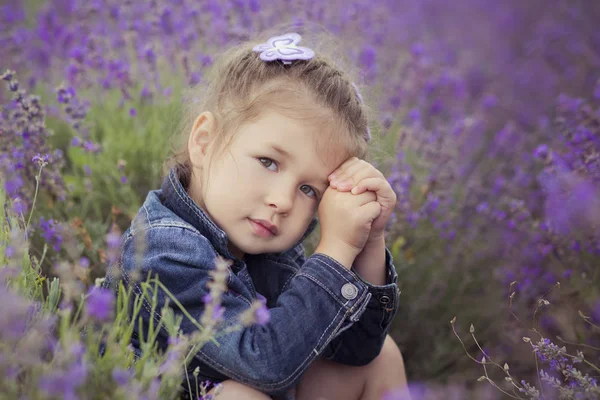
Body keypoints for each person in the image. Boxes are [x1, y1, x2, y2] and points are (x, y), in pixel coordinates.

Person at [103, 30, 409, 400]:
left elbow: (356, 351)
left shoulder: (266, 243)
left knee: (380, 359)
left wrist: (369, 241)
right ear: (204, 142)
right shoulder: (166, 250)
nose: (283, 201)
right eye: (268, 162)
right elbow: (265, 366)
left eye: (309, 189)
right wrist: (337, 248)